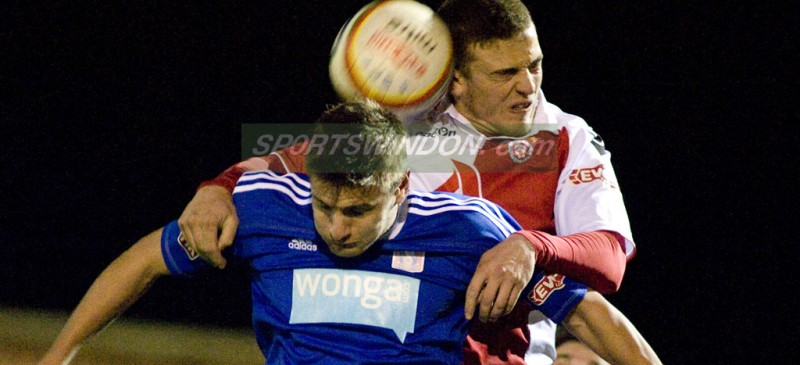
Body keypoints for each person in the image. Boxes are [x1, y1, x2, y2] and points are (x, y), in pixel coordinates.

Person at [178, 0, 636, 363]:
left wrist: (529, 246)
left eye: (533, 65)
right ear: (455, 80)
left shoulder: (562, 137)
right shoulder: (405, 125)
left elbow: (611, 256)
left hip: (505, 357)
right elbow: (287, 161)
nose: (528, 87)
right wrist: (217, 187)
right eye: (506, 73)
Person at [38, 100, 660, 365]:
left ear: (400, 189)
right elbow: (143, 261)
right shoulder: (260, 209)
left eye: (357, 213)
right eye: (325, 206)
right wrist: (57, 355)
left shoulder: (469, 232)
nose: (338, 229)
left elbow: (591, 316)